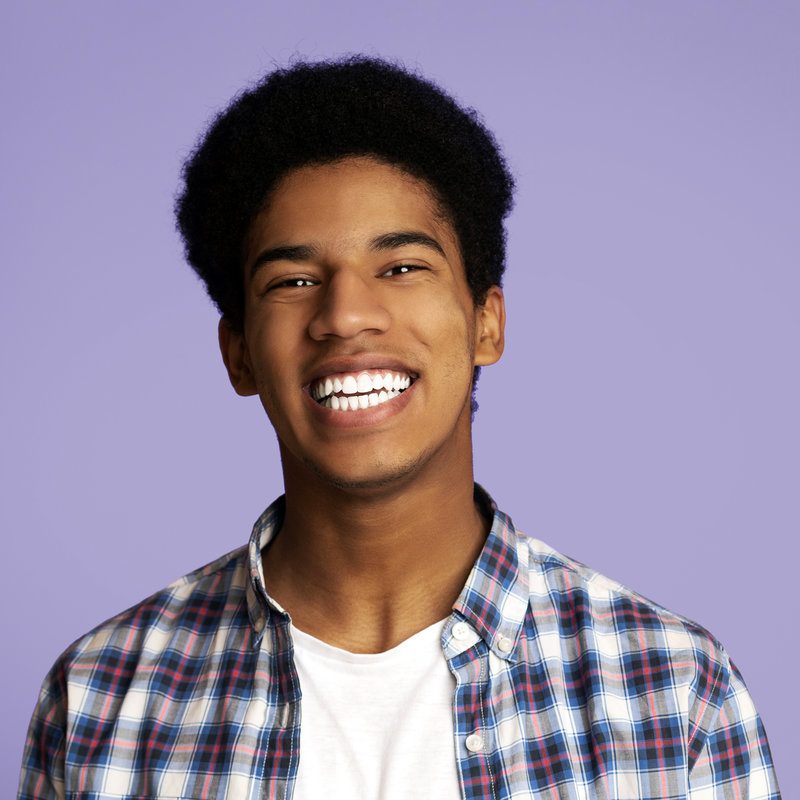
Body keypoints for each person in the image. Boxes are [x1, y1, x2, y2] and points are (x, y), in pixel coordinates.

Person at [18, 55, 780, 800]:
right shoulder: (100, 702)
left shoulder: (675, 696)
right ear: (239, 354)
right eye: (294, 281)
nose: (345, 315)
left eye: (402, 267)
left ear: (487, 323)